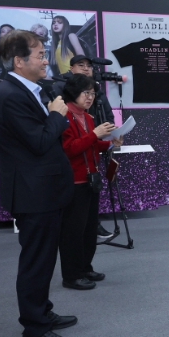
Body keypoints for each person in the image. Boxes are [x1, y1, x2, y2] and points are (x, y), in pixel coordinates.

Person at [0, 29, 76, 337]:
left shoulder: (25, 90)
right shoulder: (10, 96)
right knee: (35, 262)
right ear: (19, 61)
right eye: (39, 55)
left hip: (43, 191)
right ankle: (34, 330)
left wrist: (53, 115)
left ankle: (43, 312)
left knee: (43, 258)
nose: (45, 61)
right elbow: (39, 141)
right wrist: (57, 115)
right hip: (33, 193)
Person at [59, 74, 122, 290]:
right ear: (73, 93)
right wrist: (95, 135)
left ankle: (85, 268)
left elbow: (91, 146)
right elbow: (69, 149)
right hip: (74, 182)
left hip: (91, 180)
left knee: (88, 229)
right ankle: (71, 275)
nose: (90, 97)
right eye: (86, 93)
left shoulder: (88, 117)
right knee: (73, 231)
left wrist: (111, 143)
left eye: (93, 93)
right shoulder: (64, 116)